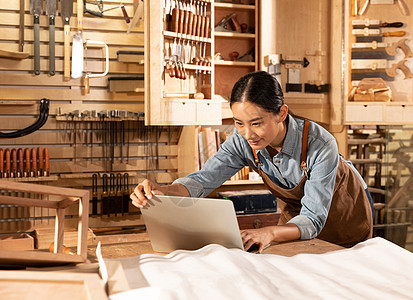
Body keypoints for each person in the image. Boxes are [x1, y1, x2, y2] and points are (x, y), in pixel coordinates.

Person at [131, 71, 374, 253]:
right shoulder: (243, 140)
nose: (248, 134)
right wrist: (163, 191)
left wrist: (269, 232)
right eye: (239, 123)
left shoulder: (320, 143)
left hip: (345, 216)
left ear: (281, 113)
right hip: (297, 218)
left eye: (256, 123)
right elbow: (204, 180)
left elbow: (312, 220)